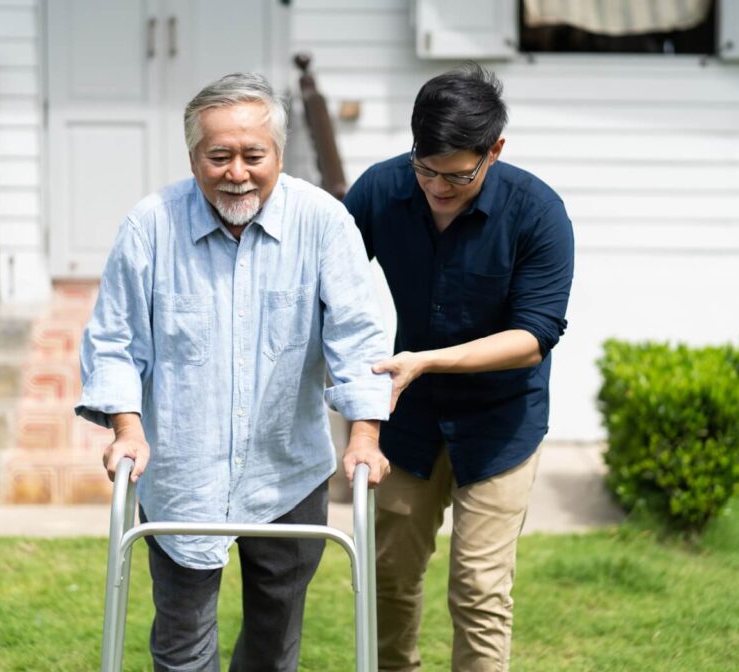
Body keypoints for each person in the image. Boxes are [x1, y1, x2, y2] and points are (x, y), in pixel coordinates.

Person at [75, 73, 392, 672]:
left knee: (274, 643)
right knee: (183, 640)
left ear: (278, 151)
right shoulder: (151, 226)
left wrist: (365, 436)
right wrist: (127, 428)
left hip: (286, 471)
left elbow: (358, 338)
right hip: (183, 472)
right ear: (194, 157)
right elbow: (114, 340)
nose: (237, 172)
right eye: (218, 156)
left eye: (253, 155)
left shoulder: (323, 222)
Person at [343, 63, 575, 671]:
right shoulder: (379, 190)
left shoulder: (537, 212)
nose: (437, 187)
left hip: (502, 423)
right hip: (404, 415)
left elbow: (534, 336)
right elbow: (327, 285)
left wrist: (427, 361)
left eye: (457, 175)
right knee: (387, 579)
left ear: (494, 151)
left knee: (478, 589)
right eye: (425, 168)